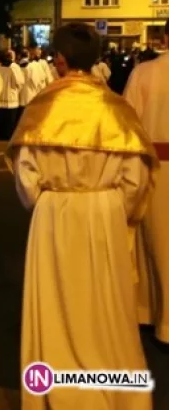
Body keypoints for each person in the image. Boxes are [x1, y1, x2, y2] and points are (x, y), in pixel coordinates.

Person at [8, 23, 157, 410]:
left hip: (54, 213)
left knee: (55, 300)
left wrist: (46, 202)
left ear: (60, 59)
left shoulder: (43, 106)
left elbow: (26, 177)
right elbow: (135, 179)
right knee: (105, 304)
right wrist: (110, 210)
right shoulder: (116, 108)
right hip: (104, 213)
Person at [124, 19, 169, 344]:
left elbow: (128, 124)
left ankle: (148, 312)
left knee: (154, 242)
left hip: (155, 166)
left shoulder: (144, 72)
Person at [0, 50, 25, 140]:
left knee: (1, 118)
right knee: (9, 120)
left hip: (0, 96)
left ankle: (1, 135)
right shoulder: (14, 67)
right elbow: (19, 82)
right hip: (11, 97)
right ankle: (8, 135)